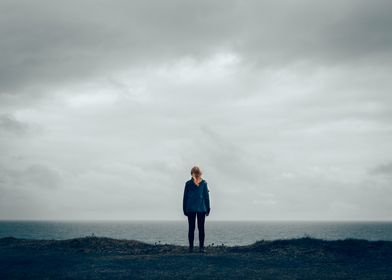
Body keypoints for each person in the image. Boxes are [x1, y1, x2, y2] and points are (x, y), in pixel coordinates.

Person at [183, 165, 211, 253]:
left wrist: (184, 209)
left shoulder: (188, 183)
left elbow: (185, 198)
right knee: (201, 228)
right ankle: (201, 248)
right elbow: (206, 197)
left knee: (191, 228)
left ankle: (191, 248)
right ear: (200, 173)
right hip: (201, 209)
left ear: (191, 174)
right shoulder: (204, 183)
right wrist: (208, 208)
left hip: (190, 208)